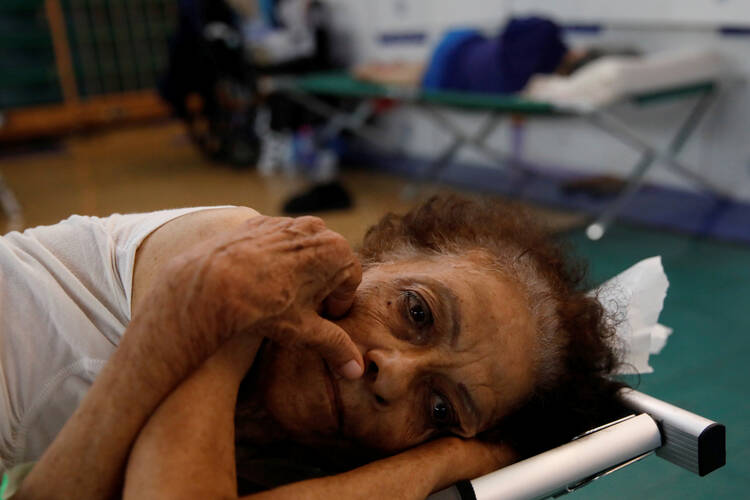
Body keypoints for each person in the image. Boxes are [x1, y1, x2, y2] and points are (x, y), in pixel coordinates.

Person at [1, 195, 624, 499]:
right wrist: (442, 465)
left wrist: (442, 464)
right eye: (416, 311)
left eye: (440, 410)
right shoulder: (248, 255)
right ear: (372, 260)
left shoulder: (290, 446)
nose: (392, 374)